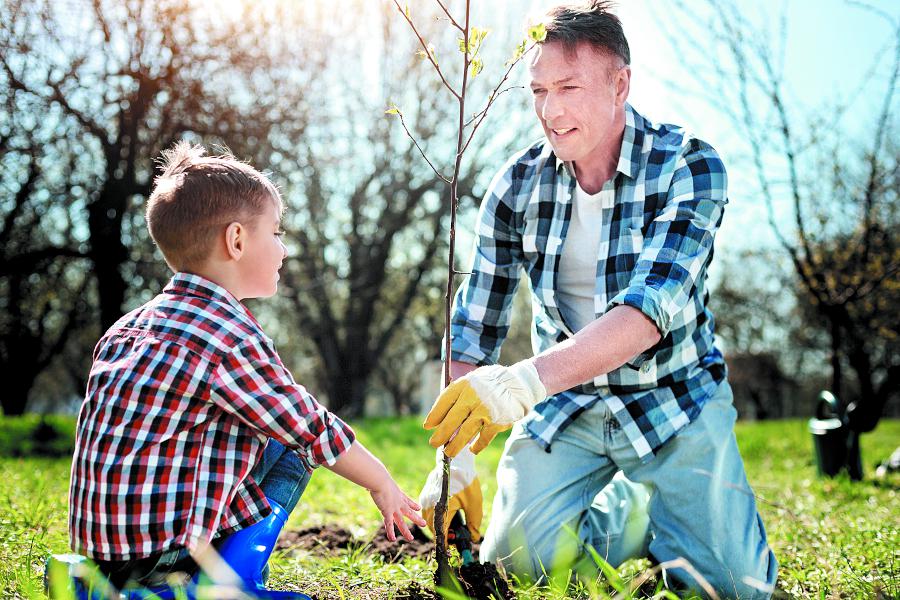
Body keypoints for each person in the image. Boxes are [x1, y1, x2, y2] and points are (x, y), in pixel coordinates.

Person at [419, 2, 778, 597]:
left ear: (620, 84)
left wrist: (523, 383)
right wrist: (456, 457)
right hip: (567, 408)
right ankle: (635, 512)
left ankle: (679, 516)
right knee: (519, 565)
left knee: (730, 587)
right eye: (538, 90)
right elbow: (473, 327)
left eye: (568, 87)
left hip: (673, 400)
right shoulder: (515, 187)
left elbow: (645, 314)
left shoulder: (689, 166)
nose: (550, 111)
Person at [67, 142, 425, 596]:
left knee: (260, 431)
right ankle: (227, 582)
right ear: (236, 240)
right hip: (162, 553)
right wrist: (382, 482)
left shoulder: (128, 327)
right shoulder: (227, 335)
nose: (284, 249)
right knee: (292, 446)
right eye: (276, 233)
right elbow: (310, 428)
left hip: (103, 545)